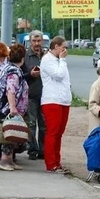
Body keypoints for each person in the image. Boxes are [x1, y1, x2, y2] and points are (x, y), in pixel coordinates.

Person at [0, 44, 29, 172]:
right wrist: (13, 108)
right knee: (8, 135)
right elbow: (11, 90)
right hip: (9, 108)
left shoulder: (9, 68)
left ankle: (10, 161)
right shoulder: (14, 72)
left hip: (8, 107)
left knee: (12, 134)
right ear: (23, 58)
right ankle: (4, 161)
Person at [40, 35, 72, 174]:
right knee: (52, 132)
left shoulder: (58, 60)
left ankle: (57, 162)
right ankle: (51, 164)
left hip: (63, 100)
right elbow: (59, 75)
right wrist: (63, 60)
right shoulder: (47, 60)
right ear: (56, 47)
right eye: (63, 47)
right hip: (52, 100)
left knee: (59, 133)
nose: (65, 50)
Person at [23, 30, 46, 161]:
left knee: (44, 125)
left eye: (39, 41)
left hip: (46, 96)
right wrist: (31, 75)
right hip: (30, 95)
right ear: (30, 41)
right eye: (34, 41)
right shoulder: (26, 56)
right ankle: (32, 149)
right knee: (31, 124)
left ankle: (43, 150)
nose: (37, 44)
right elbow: (20, 76)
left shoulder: (47, 55)